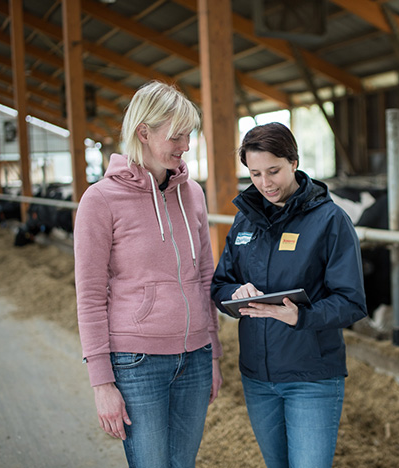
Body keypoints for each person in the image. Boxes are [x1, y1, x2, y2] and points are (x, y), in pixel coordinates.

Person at [74, 80, 223, 468]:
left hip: (195, 357)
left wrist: (214, 356)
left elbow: (205, 276)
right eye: (177, 136)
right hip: (137, 362)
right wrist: (102, 384)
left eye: (189, 135)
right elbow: (89, 296)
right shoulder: (100, 200)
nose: (186, 145)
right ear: (144, 132)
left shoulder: (193, 193)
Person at [211, 122, 366, 468]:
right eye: (254, 174)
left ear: (293, 163)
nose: (265, 183)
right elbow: (220, 283)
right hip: (257, 377)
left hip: (311, 378)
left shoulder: (330, 221)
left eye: (273, 171)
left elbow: (352, 300)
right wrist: (235, 292)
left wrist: (302, 316)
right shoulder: (244, 222)